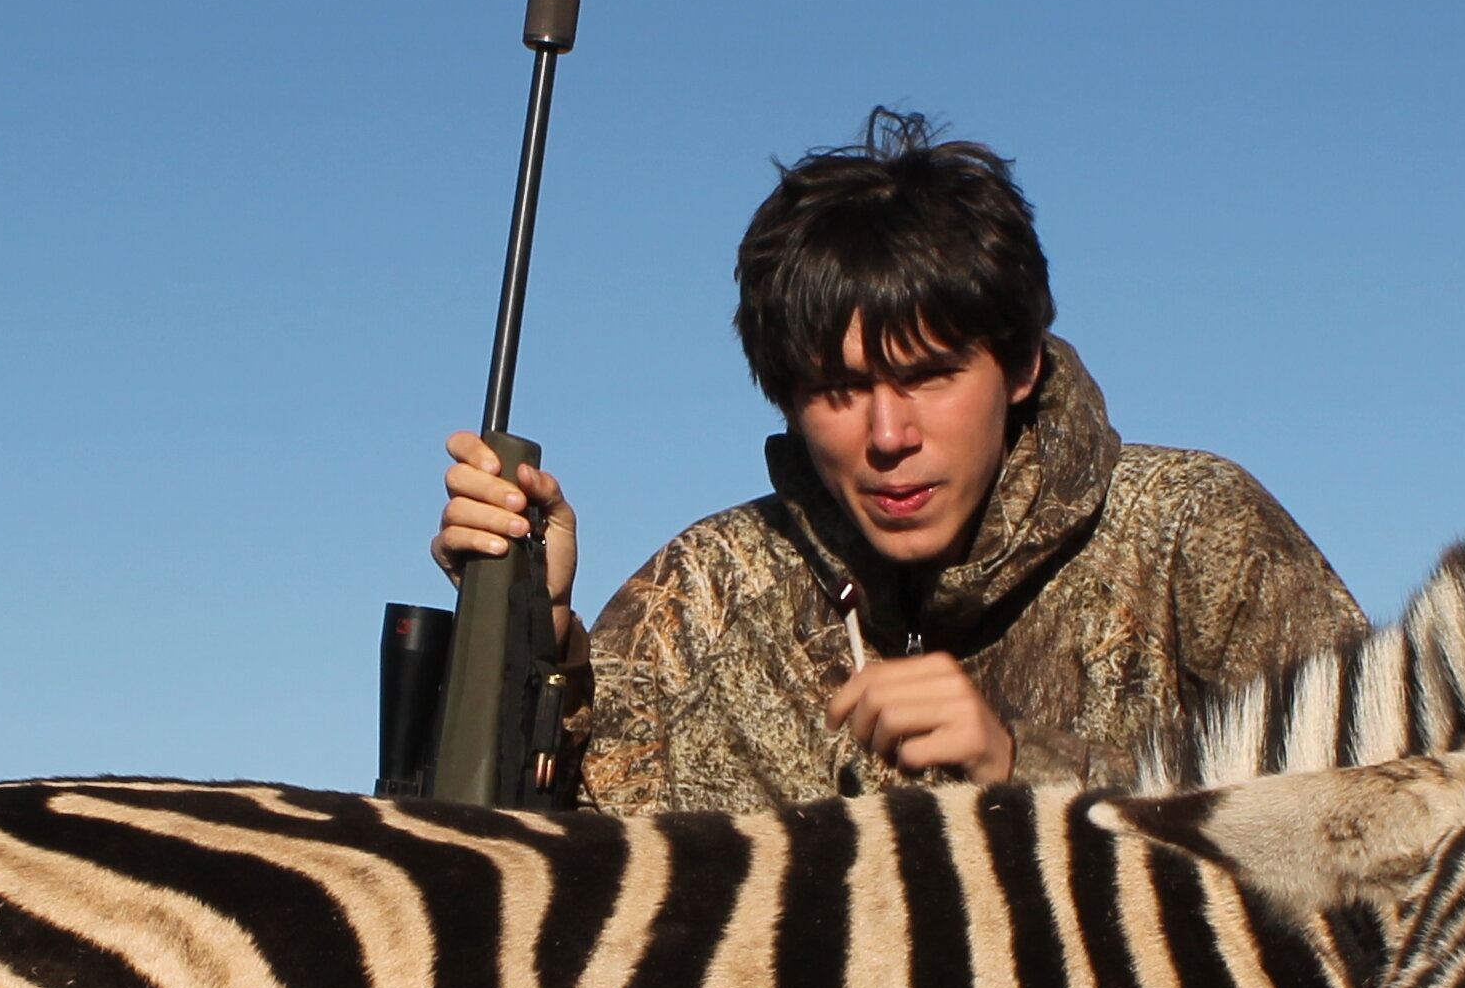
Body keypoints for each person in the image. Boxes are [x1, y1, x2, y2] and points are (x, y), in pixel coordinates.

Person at [430, 110, 1363, 815]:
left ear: (1024, 361)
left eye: (928, 377)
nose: (886, 436)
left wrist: (1019, 771)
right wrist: (536, 640)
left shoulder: (1195, 537)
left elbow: (1393, 822)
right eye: (837, 390)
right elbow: (537, 880)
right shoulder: (704, 597)